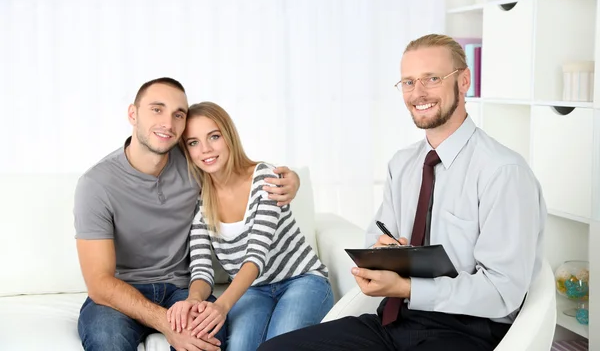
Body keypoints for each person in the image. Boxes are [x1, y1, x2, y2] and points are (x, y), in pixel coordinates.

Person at [257, 34, 547, 351]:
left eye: (431, 79)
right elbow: (375, 242)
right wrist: (380, 259)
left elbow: (502, 292)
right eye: (408, 82)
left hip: (464, 332)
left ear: (464, 81)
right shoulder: (403, 164)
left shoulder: (503, 172)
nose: (417, 93)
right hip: (393, 322)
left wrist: (409, 287)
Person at [74, 77, 301, 351]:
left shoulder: (195, 164)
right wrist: (165, 322)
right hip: (122, 294)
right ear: (133, 114)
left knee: (208, 336)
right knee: (106, 339)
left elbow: (240, 174)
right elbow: (99, 284)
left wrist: (291, 179)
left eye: (178, 114)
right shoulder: (96, 184)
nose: (168, 124)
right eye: (156, 109)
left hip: (181, 290)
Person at [165, 101, 333, 351]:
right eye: (193, 142)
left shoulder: (266, 178)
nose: (206, 149)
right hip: (253, 292)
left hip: (301, 280)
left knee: (280, 345)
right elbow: (201, 267)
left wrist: (222, 306)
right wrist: (193, 299)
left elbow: (256, 256)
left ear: (229, 136)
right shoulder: (201, 199)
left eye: (214, 136)